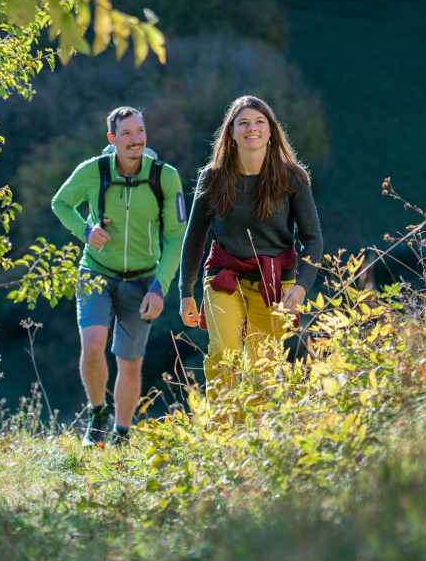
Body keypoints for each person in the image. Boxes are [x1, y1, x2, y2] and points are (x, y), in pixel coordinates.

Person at [51, 107, 187, 445]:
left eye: (139, 131)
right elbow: (60, 203)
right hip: (96, 272)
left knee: (129, 361)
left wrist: (159, 288)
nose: (135, 139)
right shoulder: (94, 171)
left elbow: (174, 237)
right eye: (126, 133)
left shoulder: (165, 177)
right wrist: (85, 231)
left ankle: (121, 434)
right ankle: (97, 413)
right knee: (93, 345)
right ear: (111, 140)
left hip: (143, 279)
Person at [178, 95, 324, 399]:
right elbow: (195, 238)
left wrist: (299, 288)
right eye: (243, 123)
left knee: (264, 364)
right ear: (231, 132)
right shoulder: (213, 178)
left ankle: (255, 438)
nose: (251, 129)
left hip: (275, 283)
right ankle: (222, 435)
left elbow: (313, 239)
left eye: (259, 122)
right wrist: (186, 292)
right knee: (223, 355)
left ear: (271, 131)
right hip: (223, 277)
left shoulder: (292, 178)